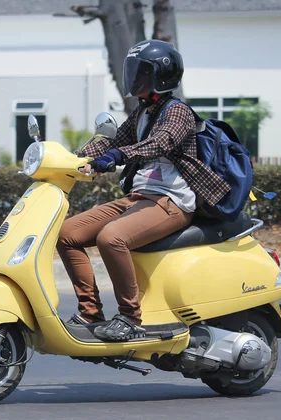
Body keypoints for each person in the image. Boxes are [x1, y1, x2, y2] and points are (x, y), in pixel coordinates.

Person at [57, 40, 230, 342]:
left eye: (141, 72)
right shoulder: (143, 112)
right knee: (67, 234)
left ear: (161, 77)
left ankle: (130, 318)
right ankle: (90, 312)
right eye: (133, 71)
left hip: (172, 202)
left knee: (111, 238)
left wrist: (118, 157)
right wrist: (73, 157)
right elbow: (110, 142)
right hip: (138, 198)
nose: (134, 78)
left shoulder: (178, 113)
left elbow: (161, 143)